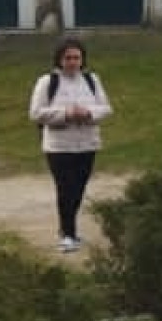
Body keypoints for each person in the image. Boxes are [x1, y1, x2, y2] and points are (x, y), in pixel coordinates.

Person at [28, 38, 113, 252]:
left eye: (77, 58)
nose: (73, 62)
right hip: (59, 147)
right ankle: (68, 234)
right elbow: (36, 113)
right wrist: (66, 114)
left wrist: (88, 113)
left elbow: (106, 108)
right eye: (68, 58)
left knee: (78, 189)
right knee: (66, 188)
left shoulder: (92, 80)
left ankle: (67, 229)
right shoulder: (47, 82)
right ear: (59, 59)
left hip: (87, 144)